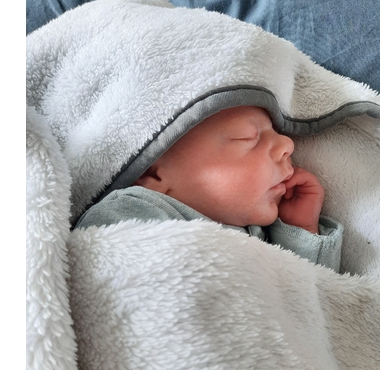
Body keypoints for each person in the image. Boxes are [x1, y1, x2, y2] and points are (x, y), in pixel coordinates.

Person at [75, 106, 343, 272]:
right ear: (152, 174)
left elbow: (312, 303)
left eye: (275, 131)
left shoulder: (262, 238)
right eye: (247, 137)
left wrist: (301, 231)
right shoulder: (129, 214)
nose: (287, 144)